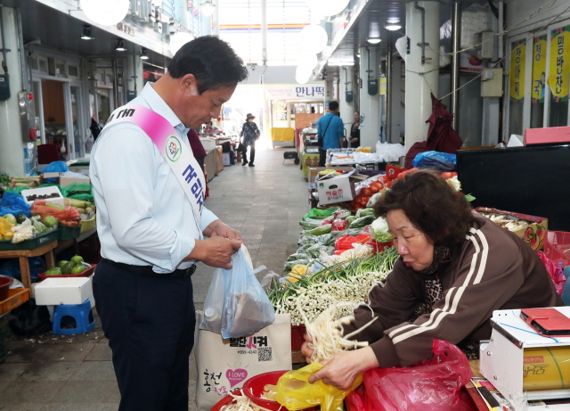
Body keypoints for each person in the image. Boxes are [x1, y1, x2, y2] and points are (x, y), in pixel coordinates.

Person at [89, 36, 248, 411]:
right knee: (148, 397)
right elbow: (132, 229)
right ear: (188, 82)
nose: (215, 114)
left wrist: (211, 224)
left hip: (168, 284)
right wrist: (199, 250)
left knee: (171, 392)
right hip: (137, 290)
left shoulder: (161, 125)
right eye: (215, 103)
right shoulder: (129, 135)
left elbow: (174, 195)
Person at [302, 170, 562, 390]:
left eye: (407, 235)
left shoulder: (489, 251)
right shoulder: (417, 257)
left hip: (533, 367)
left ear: (437, 228)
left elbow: (444, 323)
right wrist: (333, 336)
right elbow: (385, 308)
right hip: (475, 358)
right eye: (395, 237)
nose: (400, 248)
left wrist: (362, 358)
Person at [317, 101, 344, 166]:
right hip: (335, 150)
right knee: (334, 169)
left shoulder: (321, 119)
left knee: (323, 168)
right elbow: (340, 137)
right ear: (337, 109)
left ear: (329, 108)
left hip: (324, 149)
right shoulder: (338, 120)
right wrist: (342, 148)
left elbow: (319, 135)